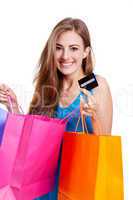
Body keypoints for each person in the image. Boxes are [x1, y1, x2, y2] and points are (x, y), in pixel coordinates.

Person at [0, 17, 113, 199]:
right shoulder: (48, 85)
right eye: (59, 48)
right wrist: (13, 106)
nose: (65, 56)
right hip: (44, 184)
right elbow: (32, 138)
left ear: (86, 52)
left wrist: (93, 117)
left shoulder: (96, 85)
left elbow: (105, 146)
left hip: (78, 183)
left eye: (73, 48)